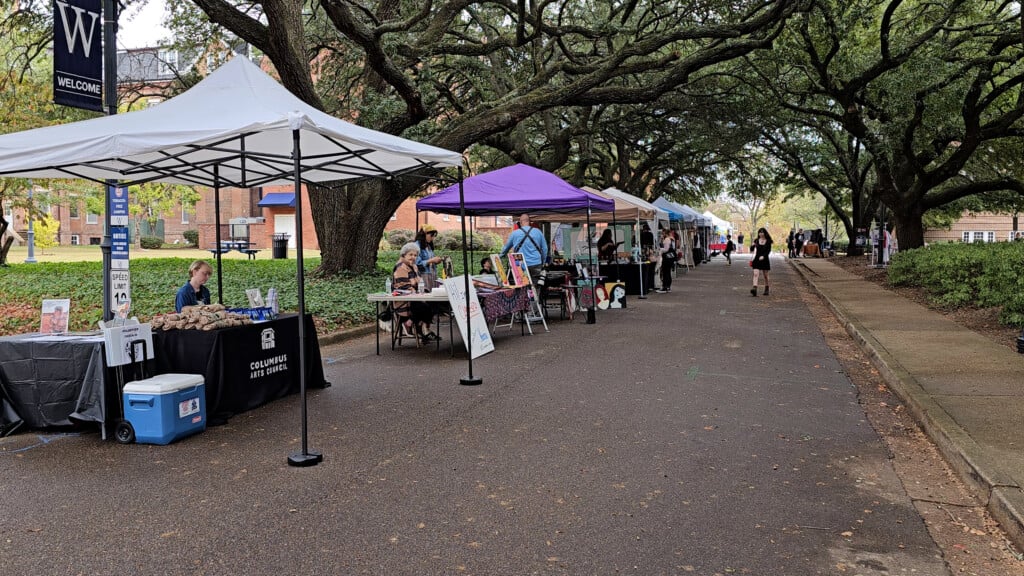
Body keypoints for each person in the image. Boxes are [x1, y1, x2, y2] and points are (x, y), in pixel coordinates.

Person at [393, 242, 439, 341]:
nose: (413, 257)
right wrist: (420, 292)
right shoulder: (400, 268)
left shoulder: (414, 266)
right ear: (403, 255)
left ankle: (421, 327)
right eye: (410, 255)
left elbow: (420, 282)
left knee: (436, 303)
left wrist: (425, 292)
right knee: (426, 307)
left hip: (416, 297)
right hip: (405, 301)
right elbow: (405, 288)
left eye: (415, 255)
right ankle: (411, 322)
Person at [500, 213, 548, 281]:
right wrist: (542, 261)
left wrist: (500, 256)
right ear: (529, 222)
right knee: (535, 285)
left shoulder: (515, 233)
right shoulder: (538, 232)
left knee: (521, 285)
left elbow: (506, 248)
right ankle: (535, 291)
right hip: (535, 263)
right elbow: (545, 249)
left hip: (520, 264)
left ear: (520, 222)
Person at [750, 227, 773, 297]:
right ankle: (754, 289)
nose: (761, 234)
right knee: (755, 274)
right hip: (757, 259)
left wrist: (763, 256)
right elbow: (751, 249)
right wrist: (753, 245)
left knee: (765, 276)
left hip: (765, 259)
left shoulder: (768, 241)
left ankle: (767, 288)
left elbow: (768, 251)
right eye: (759, 232)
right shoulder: (756, 240)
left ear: (765, 233)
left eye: (762, 232)